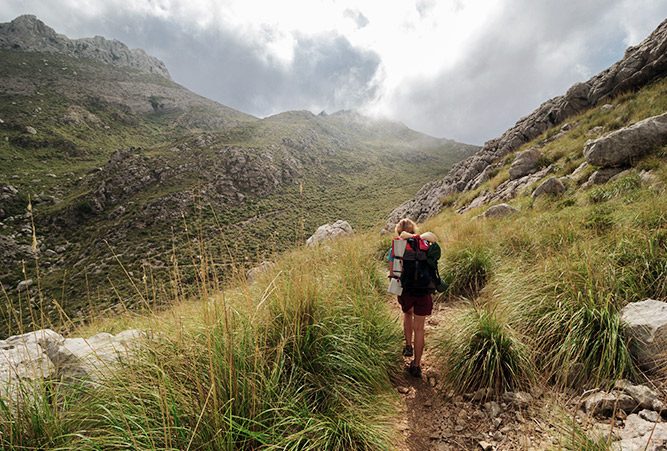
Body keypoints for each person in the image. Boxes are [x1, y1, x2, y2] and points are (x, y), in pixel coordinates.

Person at [388, 218, 443, 378]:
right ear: (414, 230)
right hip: (424, 290)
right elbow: (434, 246)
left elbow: (393, 271)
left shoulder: (397, 246)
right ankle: (417, 365)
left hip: (406, 291)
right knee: (420, 328)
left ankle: (408, 346)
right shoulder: (425, 243)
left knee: (407, 314)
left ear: (399, 232)